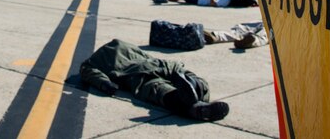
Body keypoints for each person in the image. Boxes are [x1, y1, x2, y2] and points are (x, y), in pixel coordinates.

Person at [80, 39, 229, 121]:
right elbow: (145, 55)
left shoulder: (93, 60)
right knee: (185, 74)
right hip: (157, 64)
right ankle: (199, 89)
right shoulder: (124, 44)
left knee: (155, 88)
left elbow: (87, 72)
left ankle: (185, 104)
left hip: (134, 73)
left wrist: (105, 84)